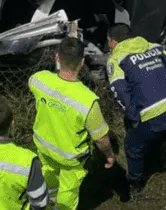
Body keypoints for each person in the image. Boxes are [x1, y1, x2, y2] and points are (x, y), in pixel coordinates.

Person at [28, 37, 115, 210]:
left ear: (57, 58)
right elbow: (101, 139)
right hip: (71, 159)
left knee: (48, 176)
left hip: (44, 147)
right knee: (68, 191)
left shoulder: (39, 80)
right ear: (82, 62)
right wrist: (110, 155)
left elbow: (33, 85)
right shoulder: (88, 102)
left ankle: (49, 200)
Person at [106, 23, 166, 194]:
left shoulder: (116, 59)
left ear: (112, 42)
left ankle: (135, 183)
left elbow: (120, 91)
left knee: (132, 145)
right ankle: (159, 154)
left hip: (154, 114)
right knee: (157, 133)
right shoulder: (153, 47)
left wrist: (133, 116)